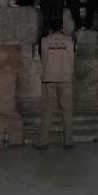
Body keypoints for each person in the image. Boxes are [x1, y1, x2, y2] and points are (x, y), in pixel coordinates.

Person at [35, 19, 76, 150]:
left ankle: (43, 142)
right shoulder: (69, 41)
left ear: (50, 28)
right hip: (65, 79)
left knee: (47, 111)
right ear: (62, 27)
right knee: (67, 111)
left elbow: (42, 58)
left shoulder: (44, 41)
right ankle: (68, 142)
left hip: (49, 78)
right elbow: (72, 58)